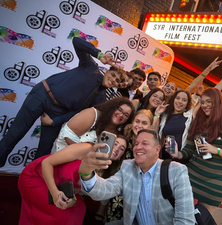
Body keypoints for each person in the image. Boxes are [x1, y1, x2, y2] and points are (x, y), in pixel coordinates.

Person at [0, 37, 125, 166]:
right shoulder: (91, 67)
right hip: (42, 94)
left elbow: (77, 113)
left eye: (116, 81)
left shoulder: (101, 99)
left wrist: (54, 121)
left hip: (57, 113)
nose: (113, 80)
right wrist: (99, 54)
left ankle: (32, 180)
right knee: (13, 136)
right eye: (113, 75)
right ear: (108, 71)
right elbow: (77, 41)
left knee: (44, 152)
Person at [79, 129, 195, 225]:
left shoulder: (176, 171)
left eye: (145, 143)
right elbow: (105, 189)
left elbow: (185, 220)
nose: (138, 147)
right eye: (136, 144)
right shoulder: (127, 167)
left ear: (157, 149)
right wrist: (86, 173)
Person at [168, 87, 222, 214]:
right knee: (177, 213)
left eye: (208, 101)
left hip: (215, 183)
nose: (204, 105)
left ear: (218, 102)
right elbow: (189, 150)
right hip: (192, 177)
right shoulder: (198, 122)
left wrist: (216, 150)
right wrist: (178, 154)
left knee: (200, 220)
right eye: (202, 101)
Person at [18, 133, 128, 225]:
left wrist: (71, 200)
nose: (116, 148)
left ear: (119, 158)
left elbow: (74, 191)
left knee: (78, 209)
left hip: (59, 186)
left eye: (121, 149)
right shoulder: (87, 148)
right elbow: (46, 163)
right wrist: (54, 192)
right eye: (115, 143)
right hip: (38, 177)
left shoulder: (104, 177)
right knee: (62, 216)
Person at [55, 97, 134, 151]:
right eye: (119, 110)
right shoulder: (93, 114)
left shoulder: (117, 135)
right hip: (63, 153)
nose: (121, 115)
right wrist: (84, 154)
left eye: (126, 115)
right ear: (112, 107)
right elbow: (67, 134)